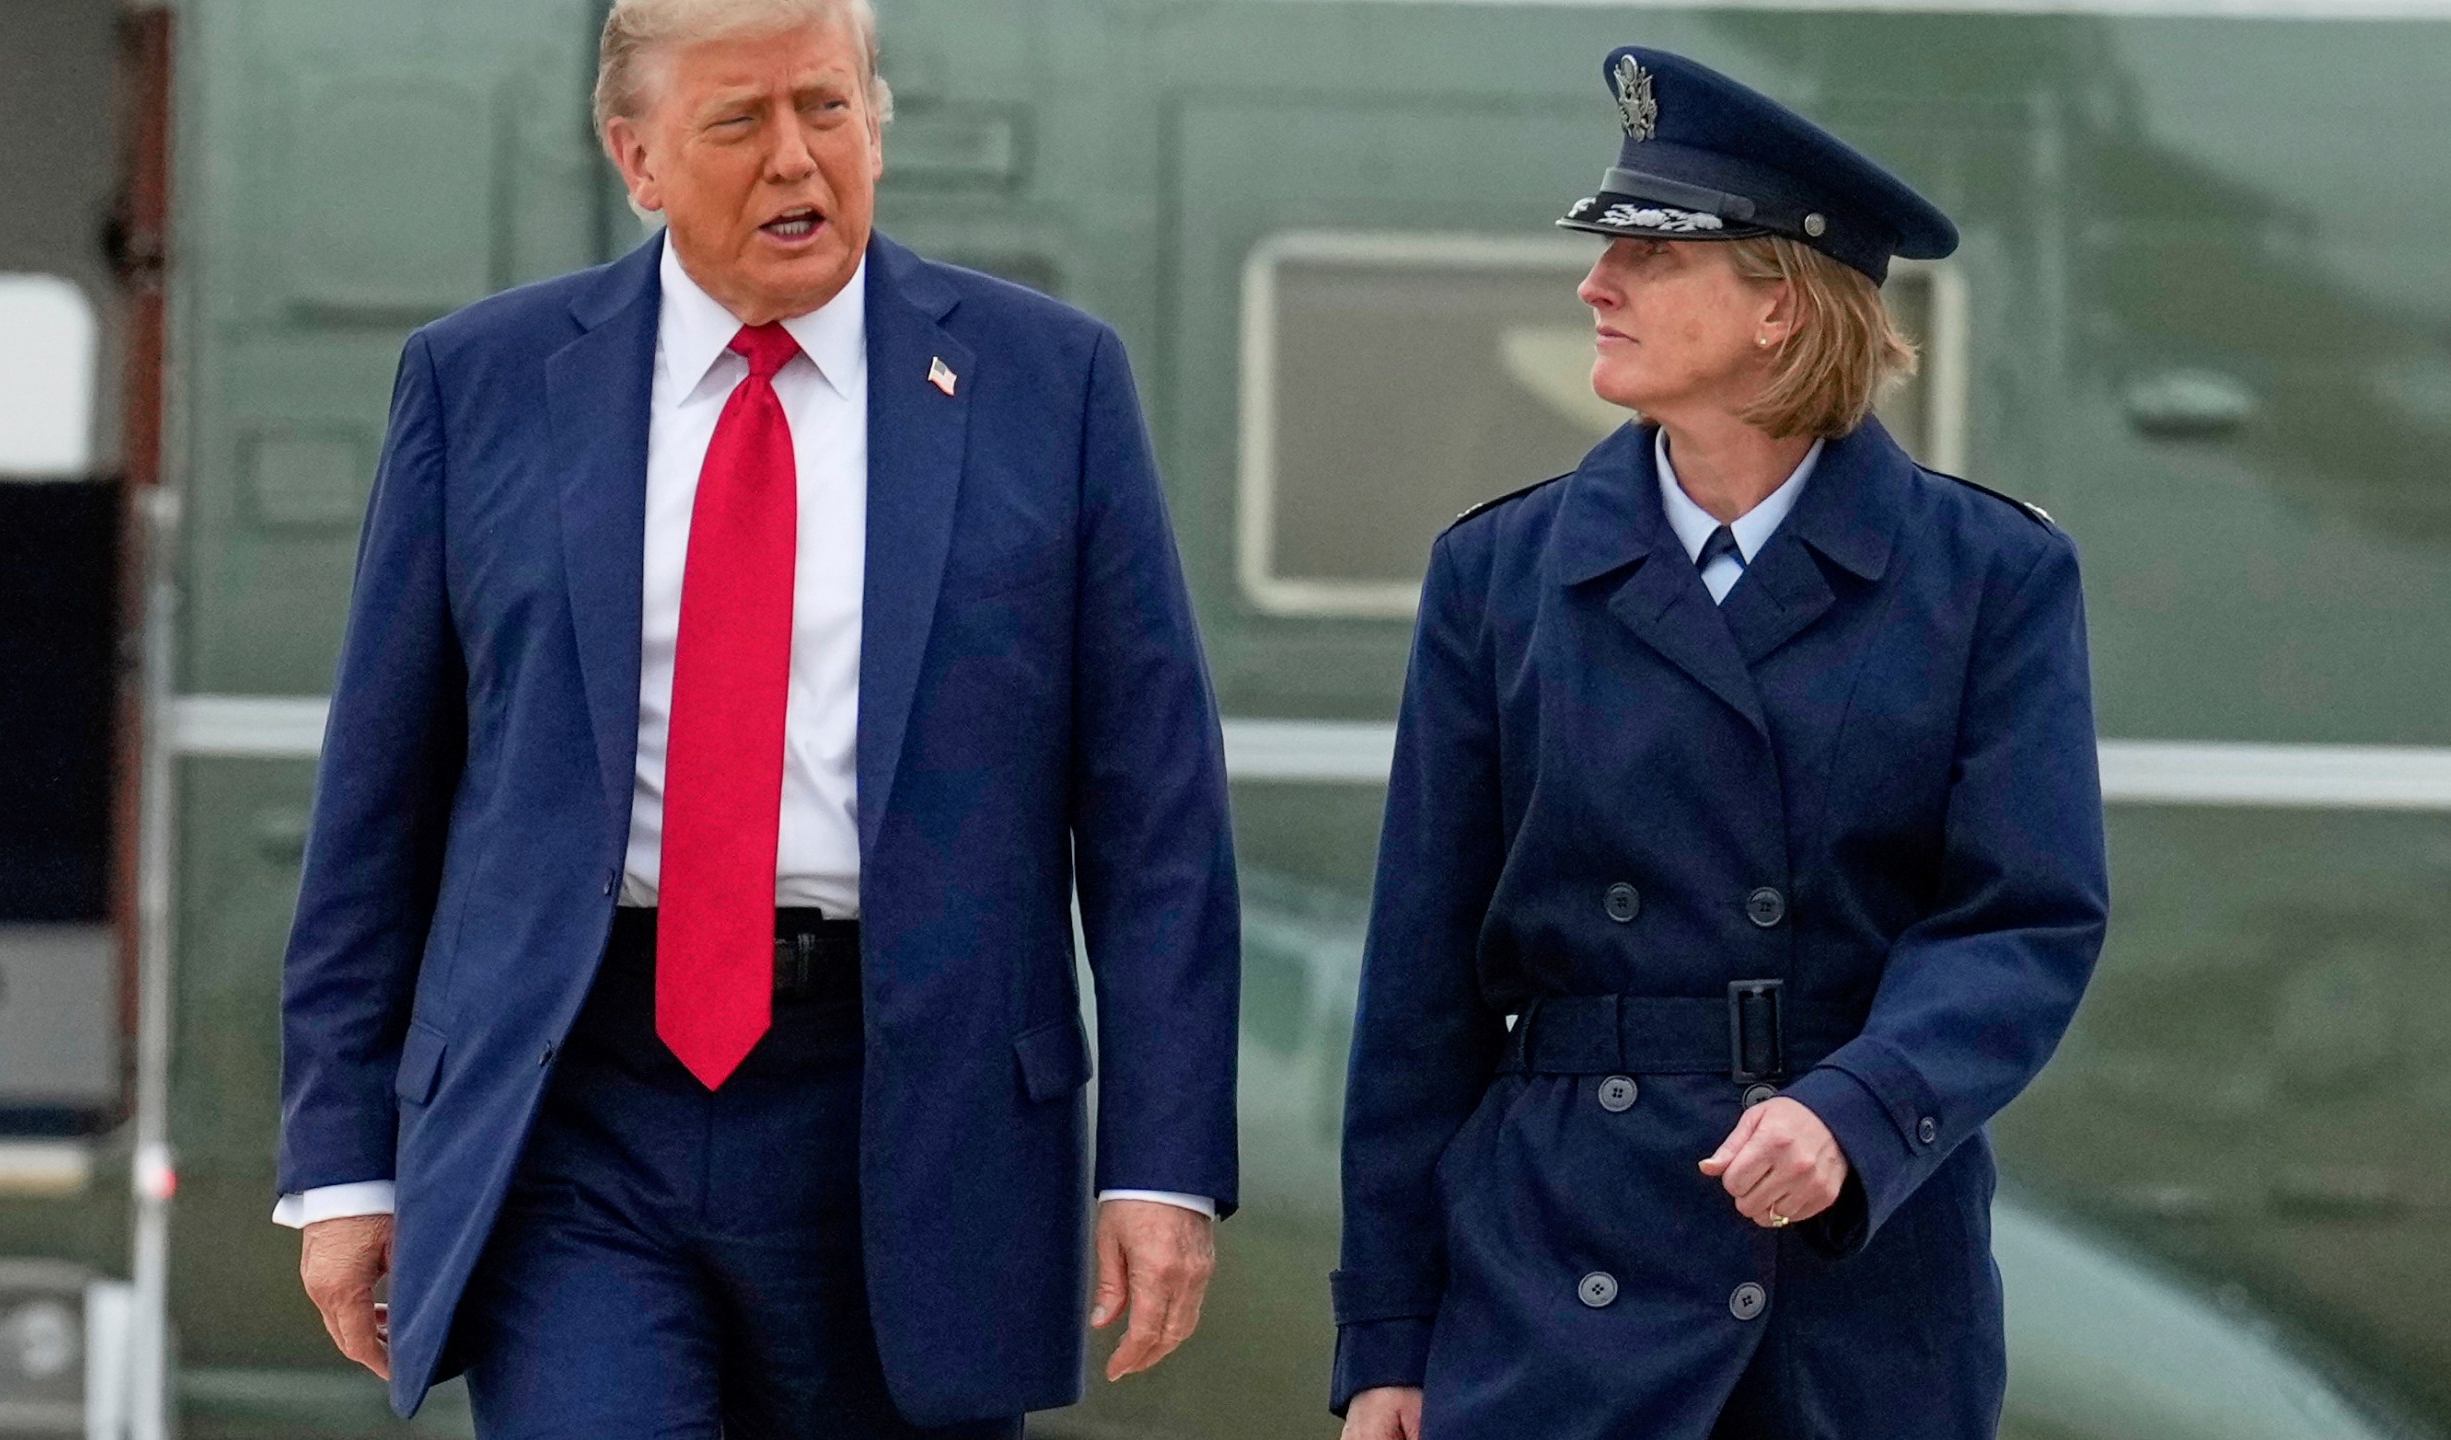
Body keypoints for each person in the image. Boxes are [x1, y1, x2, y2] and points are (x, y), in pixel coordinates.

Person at [272, 1, 1241, 1434]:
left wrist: (1160, 1164)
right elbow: (380, 795)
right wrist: (344, 1162)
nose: (797, 158)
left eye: (828, 108)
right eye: (739, 121)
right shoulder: (483, 383)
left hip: (912, 1108)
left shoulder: (1050, 383)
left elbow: (1156, 812)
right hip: (576, 1101)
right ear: (639, 159)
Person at [1331, 46, 2108, 1440]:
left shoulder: (1989, 577)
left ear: (1778, 305)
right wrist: (1388, 1336)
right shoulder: (1499, 574)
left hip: (1851, 1282)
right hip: (1554, 1275)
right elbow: (1418, 991)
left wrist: (1857, 1112)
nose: (1596, 285)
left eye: (1651, 254)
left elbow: (2024, 920)